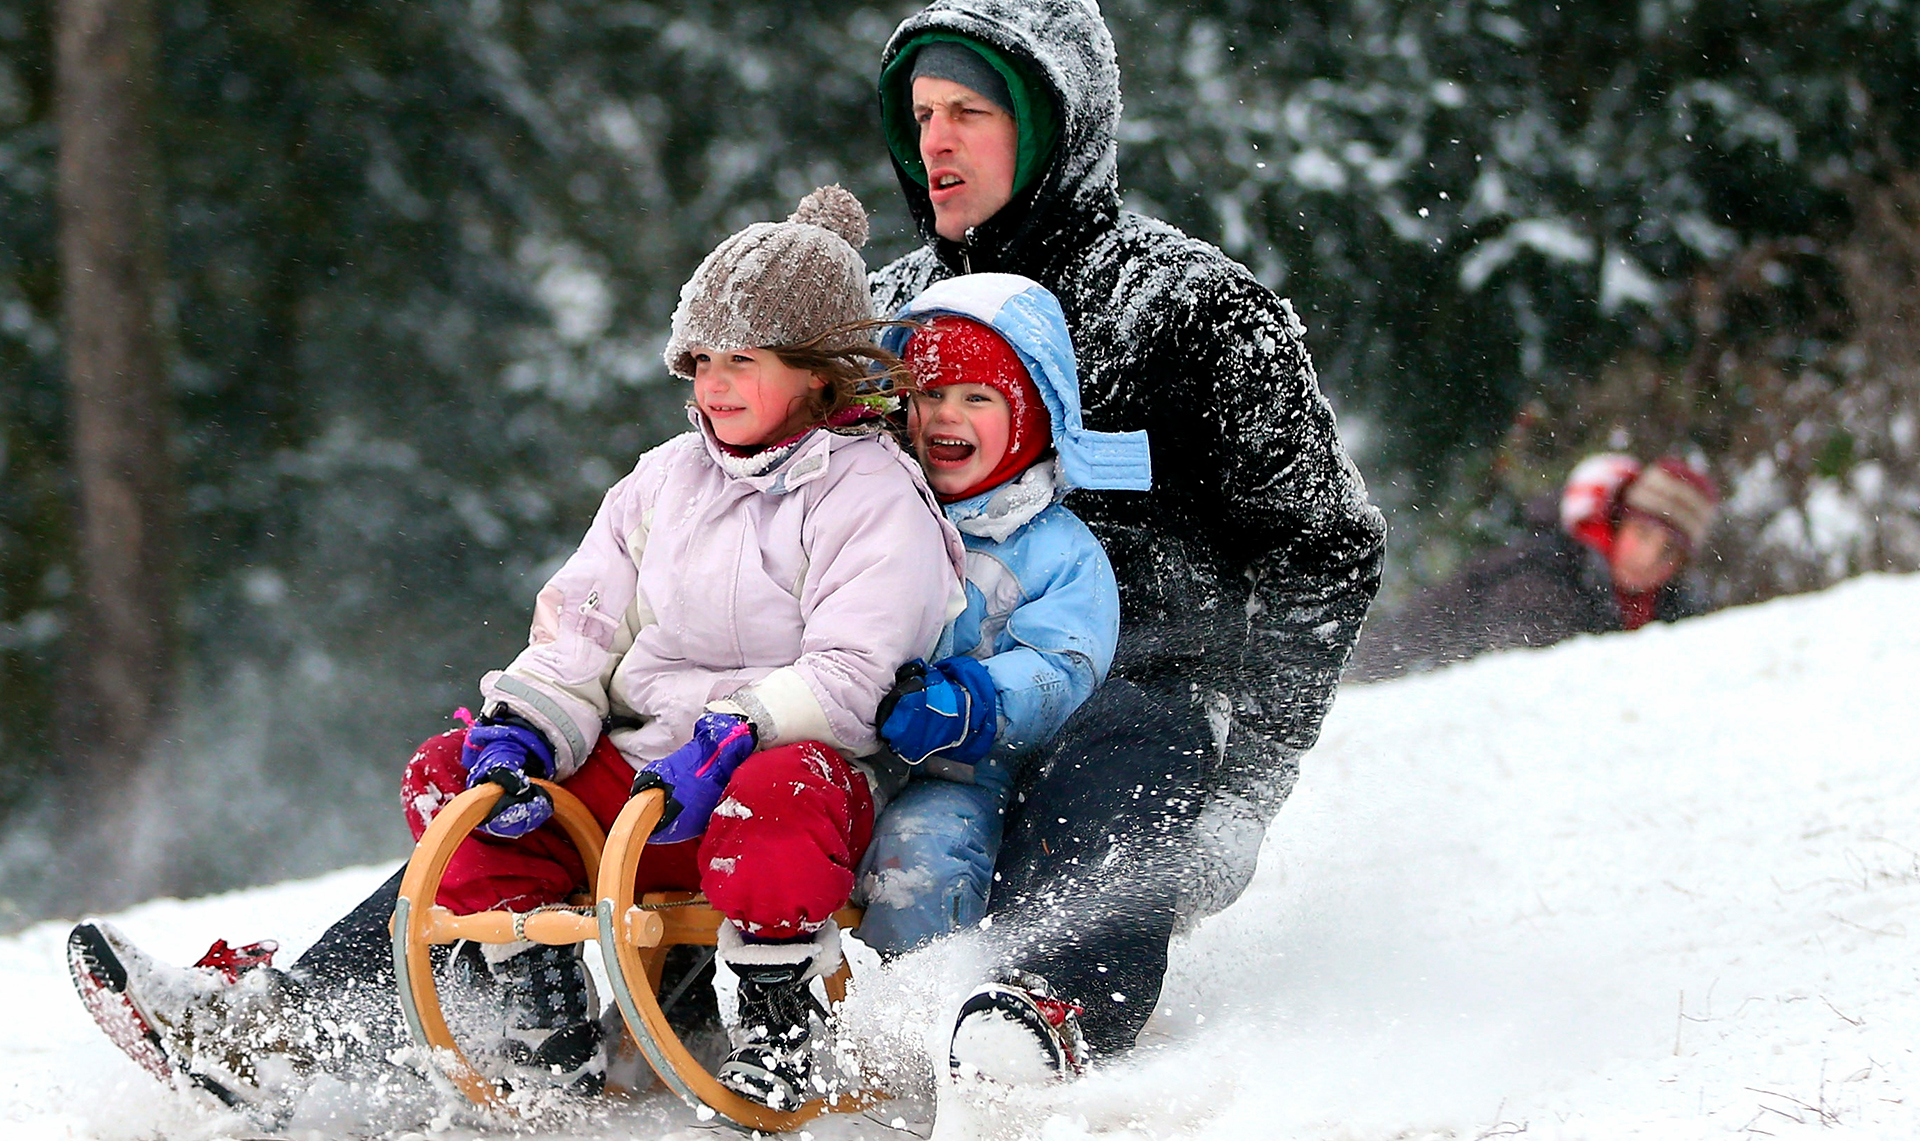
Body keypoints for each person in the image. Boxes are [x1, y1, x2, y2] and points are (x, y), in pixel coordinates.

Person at [67, 186, 966, 1114]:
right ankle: (536, 1007)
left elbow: (858, 668)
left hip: (787, 778)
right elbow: (580, 626)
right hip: (643, 779)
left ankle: (781, 1025)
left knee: (776, 798)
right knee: (452, 777)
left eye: (744, 359)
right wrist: (524, 727)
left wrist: (741, 735)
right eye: (700, 359)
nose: (714, 383)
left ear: (819, 372)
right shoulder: (663, 481)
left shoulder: (870, 492)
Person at [869, 0, 1386, 1075]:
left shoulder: (1193, 310)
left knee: (1120, 743)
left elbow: (1321, 546)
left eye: (972, 111)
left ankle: (1043, 1010)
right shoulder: (883, 322)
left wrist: (1248, 791)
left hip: (1122, 721)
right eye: (922, 115)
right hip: (908, 702)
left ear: (1057, 123)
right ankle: (639, 984)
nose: (938, 144)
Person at [853, 273, 1148, 1074]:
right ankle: (739, 996)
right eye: (931, 391)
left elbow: (1067, 663)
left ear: (1030, 419)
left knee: (920, 852)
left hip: (967, 767)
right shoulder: (875, 504)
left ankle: (912, 1024)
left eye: (978, 397)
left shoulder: (1057, 550)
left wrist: (974, 698)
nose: (946, 414)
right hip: (852, 745)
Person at [1348, 454, 1720, 682]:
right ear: (1618, 523)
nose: (1647, 559)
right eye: (1642, 533)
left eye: (1668, 551)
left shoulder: (1679, 615)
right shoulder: (1543, 580)